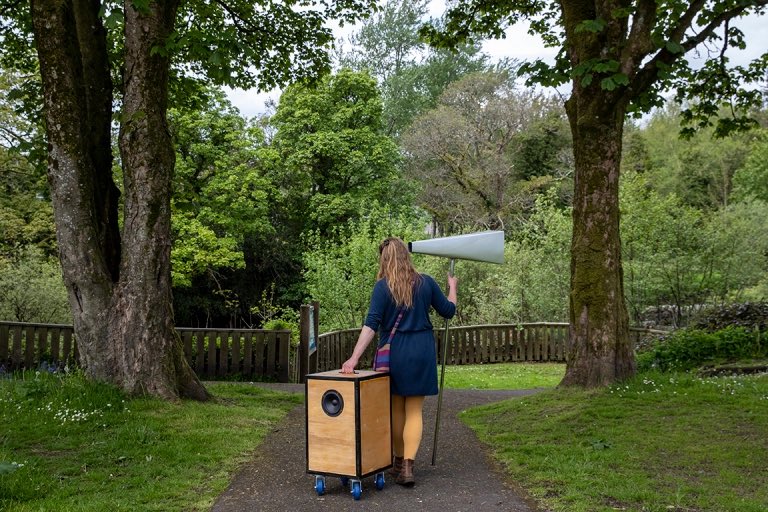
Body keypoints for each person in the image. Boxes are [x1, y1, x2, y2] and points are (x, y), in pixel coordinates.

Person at [341, 237, 457, 487]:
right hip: (422, 350)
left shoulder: (383, 288)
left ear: (384, 259)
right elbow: (448, 311)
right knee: (414, 410)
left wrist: (354, 358)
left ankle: (396, 461)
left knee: (395, 409)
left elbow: (371, 324)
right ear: (406, 255)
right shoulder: (426, 283)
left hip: (394, 354)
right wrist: (453, 287)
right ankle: (407, 467)